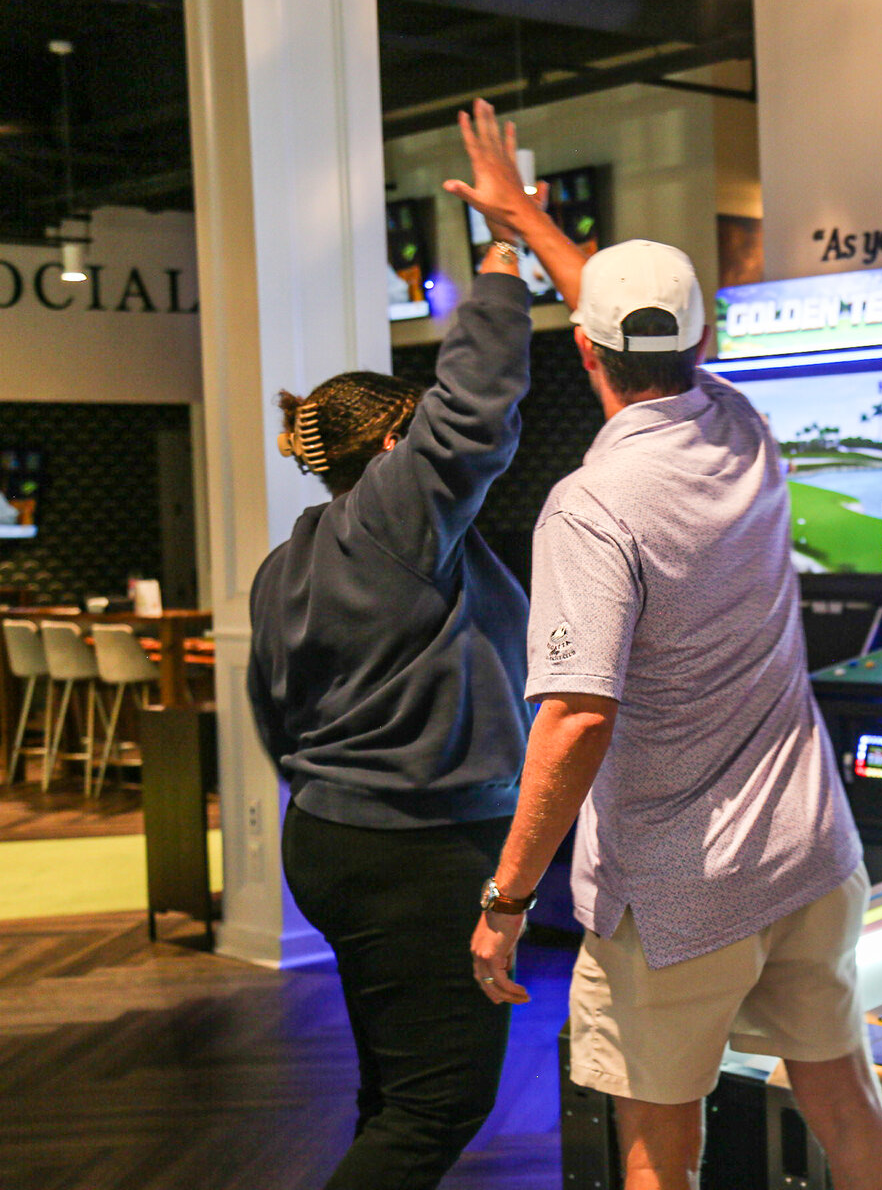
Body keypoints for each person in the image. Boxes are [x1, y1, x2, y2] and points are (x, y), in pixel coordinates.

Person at [463, 234, 882, 1190]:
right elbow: (641, 309)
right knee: (845, 1104)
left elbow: (578, 722)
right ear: (701, 349)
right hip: (809, 858)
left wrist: (505, 901)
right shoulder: (743, 427)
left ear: (583, 351)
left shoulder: (590, 506)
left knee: (659, 1148)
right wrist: (533, 219)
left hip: (677, 896)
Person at [247, 99, 573, 1190]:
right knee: (440, 1104)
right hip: (413, 857)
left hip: (334, 842)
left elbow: (272, 714)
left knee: (395, 1084)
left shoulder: (294, 555)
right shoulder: (392, 522)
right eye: (418, 425)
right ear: (393, 446)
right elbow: (474, 402)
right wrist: (503, 242)